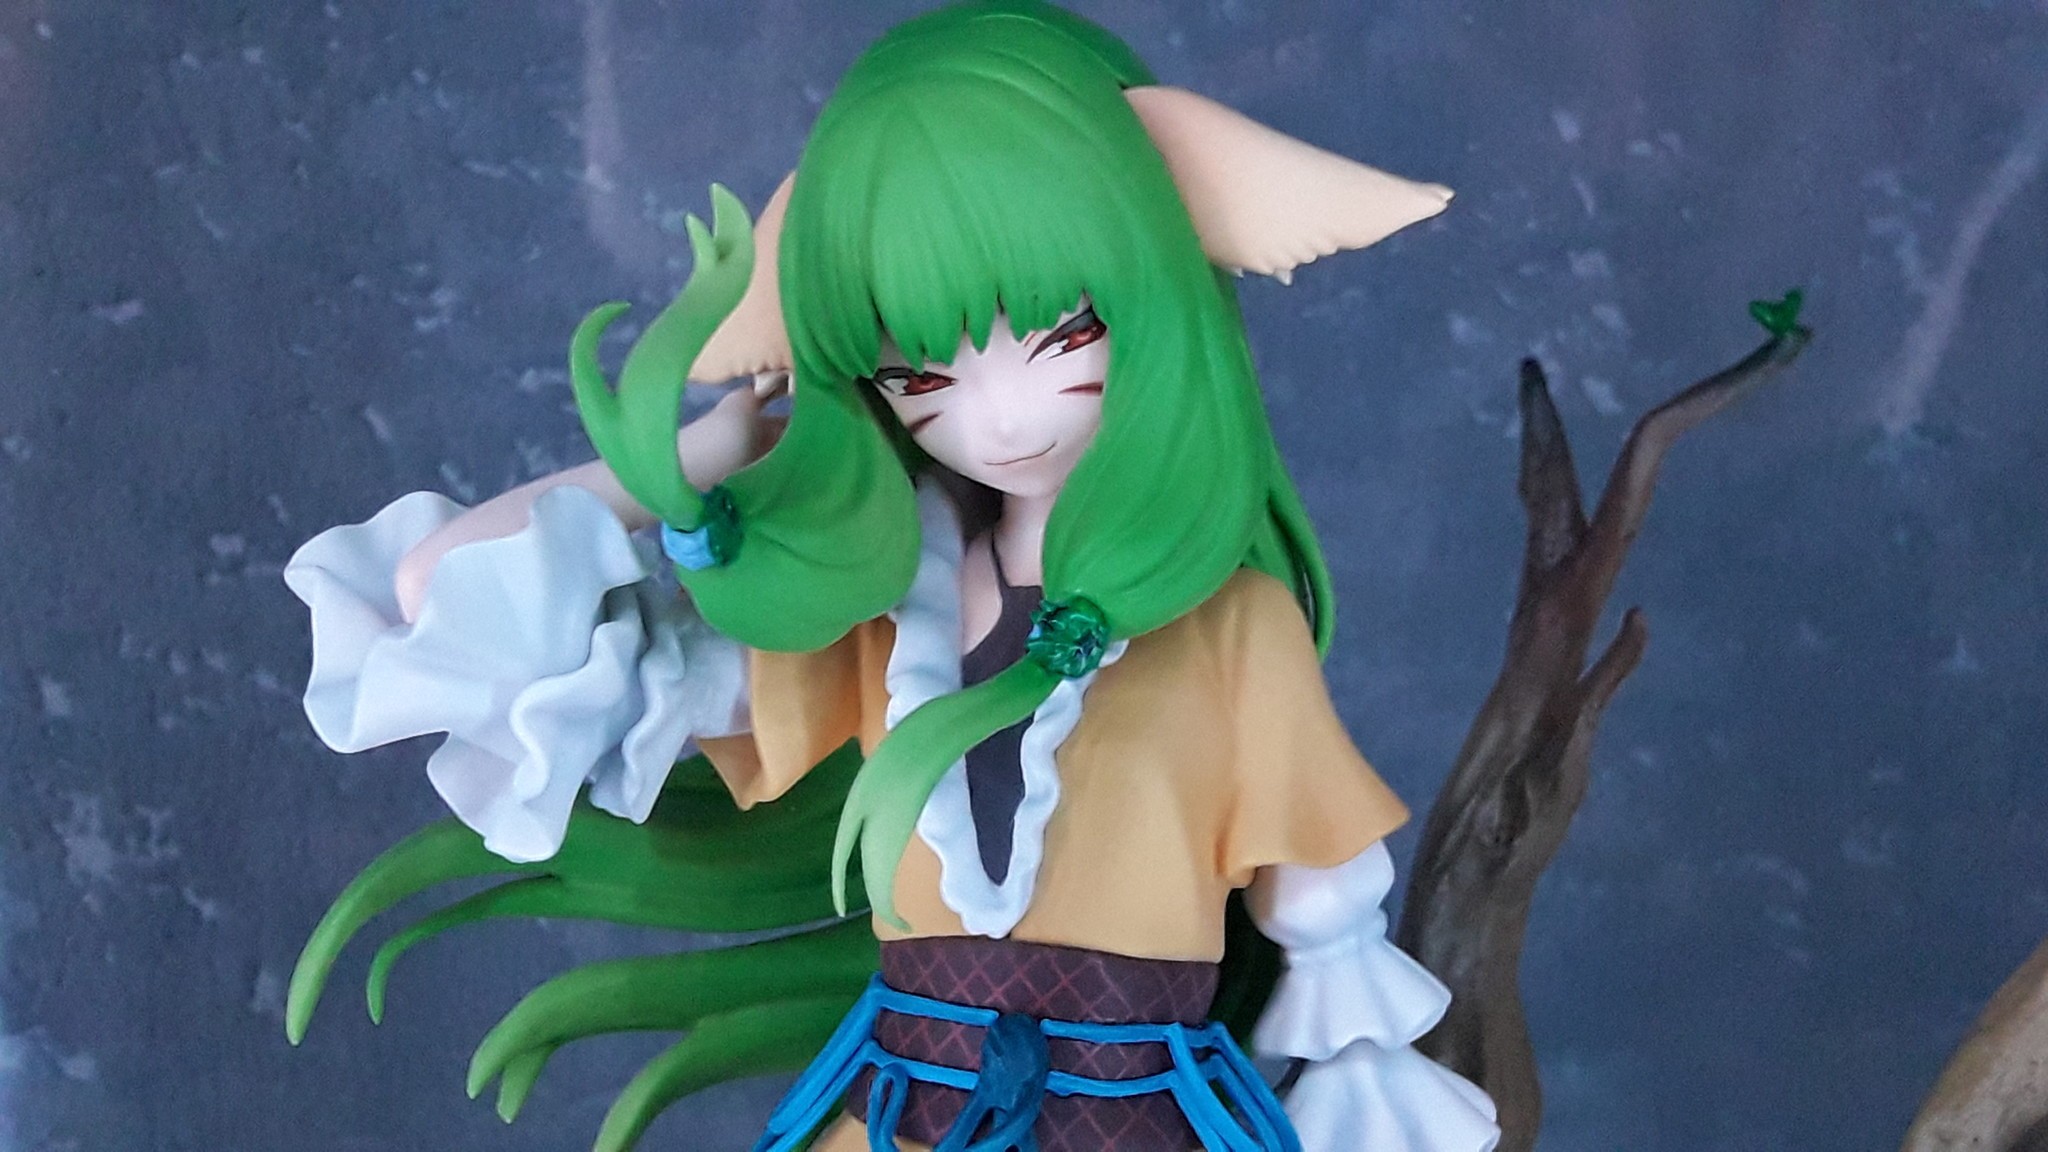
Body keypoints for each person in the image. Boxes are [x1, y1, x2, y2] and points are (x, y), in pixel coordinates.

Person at [285, 3, 1502, 1149]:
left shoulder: (1230, 632)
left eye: (1061, 333)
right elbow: (435, 595)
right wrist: (703, 457)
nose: (998, 414)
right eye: (919, 374)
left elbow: (1330, 940)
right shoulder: (873, 620)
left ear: (1153, 297)